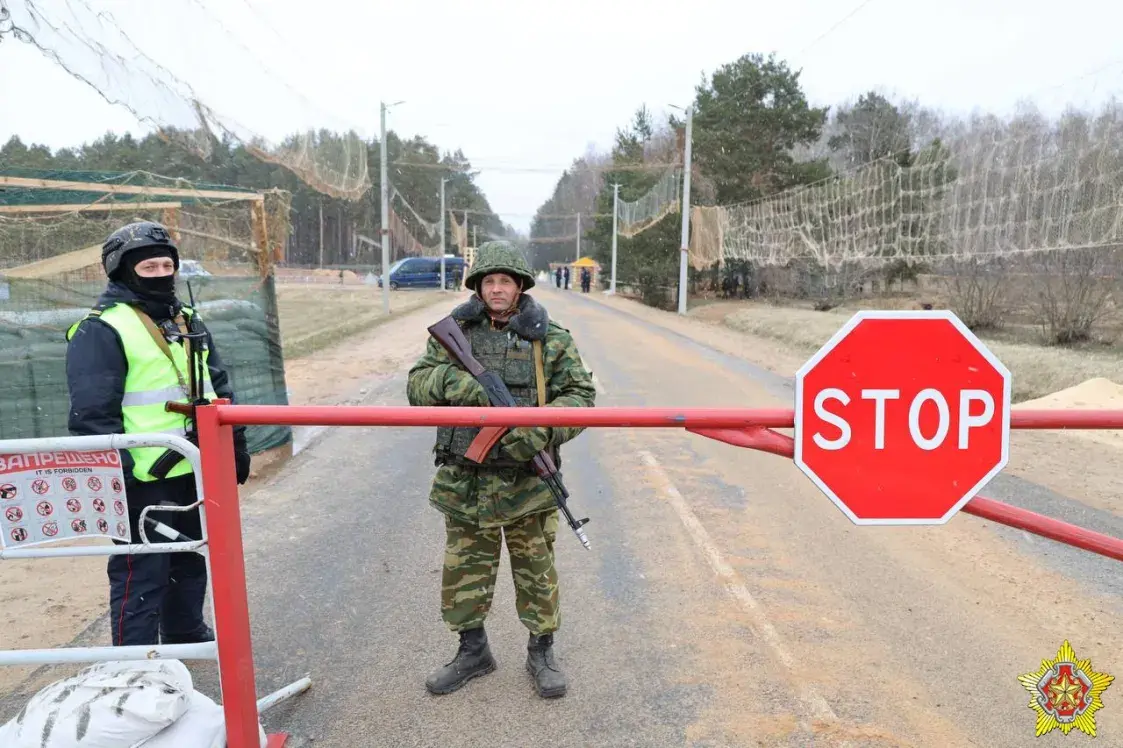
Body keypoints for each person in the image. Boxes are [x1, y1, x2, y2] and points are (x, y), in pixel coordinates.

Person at [406, 240, 596, 698]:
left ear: (519, 286)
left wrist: (540, 430)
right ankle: (472, 651)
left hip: (527, 486)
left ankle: (541, 651)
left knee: (536, 572)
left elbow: (581, 397)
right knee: (463, 572)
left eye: (504, 281)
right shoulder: (456, 336)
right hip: (465, 484)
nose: (496, 289)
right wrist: (462, 385)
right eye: (488, 281)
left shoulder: (549, 338)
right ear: (477, 286)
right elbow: (416, 387)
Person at [65, 220, 251, 647]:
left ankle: (184, 632)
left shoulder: (187, 320)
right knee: (141, 568)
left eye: (167, 265)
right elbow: (93, 412)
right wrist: (119, 473)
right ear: (123, 271)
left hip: (194, 464)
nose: (162, 274)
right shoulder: (102, 328)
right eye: (149, 268)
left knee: (188, 556)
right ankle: (135, 659)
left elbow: (216, 385)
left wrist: (234, 441)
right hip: (141, 476)